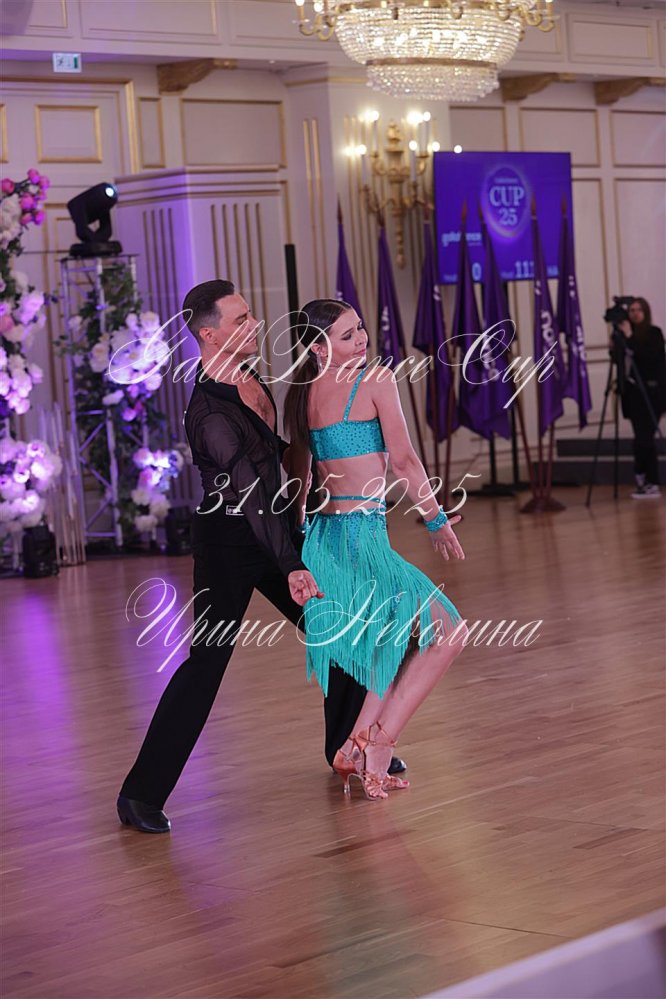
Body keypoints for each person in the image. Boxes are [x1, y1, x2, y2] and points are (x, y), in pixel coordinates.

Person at [116, 280, 404, 833]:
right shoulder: (209, 414)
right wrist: (292, 564)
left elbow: (277, 457)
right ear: (209, 334)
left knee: (339, 630)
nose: (254, 325)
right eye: (240, 320)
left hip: (276, 534)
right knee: (207, 664)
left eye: (250, 314)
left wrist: (326, 486)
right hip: (228, 545)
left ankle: (346, 749)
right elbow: (249, 494)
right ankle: (140, 796)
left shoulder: (250, 379)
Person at [284, 300, 469, 800]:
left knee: (391, 641)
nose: (362, 339)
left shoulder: (303, 391)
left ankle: (353, 747)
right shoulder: (376, 380)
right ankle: (378, 742)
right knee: (448, 630)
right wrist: (436, 520)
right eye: (347, 335)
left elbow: (300, 480)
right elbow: (405, 461)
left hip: (325, 542)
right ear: (318, 347)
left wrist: (297, 555)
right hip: (361, 539)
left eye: (360, 328)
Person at [617, 297, 665, 499]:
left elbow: (648, 358)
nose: (635, 313)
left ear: (646, 312)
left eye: (639, 310)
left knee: (645, 438)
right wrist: (617, 341)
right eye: (632, 310)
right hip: (634, 395)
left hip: (652, 393)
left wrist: (630, 337)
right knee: (640, 438)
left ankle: (650, 480)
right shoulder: (623, 335)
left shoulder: (654, 333)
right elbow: (619, 361)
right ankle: (643, 479)